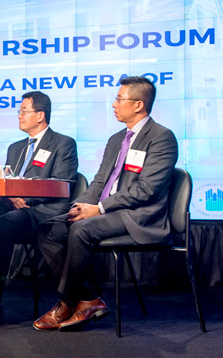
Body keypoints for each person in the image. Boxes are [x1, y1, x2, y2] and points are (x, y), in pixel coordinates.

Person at [34, 76, 178, 332]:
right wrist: (80, 206)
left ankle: (67, 303)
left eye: (120, 99)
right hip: (105, 212)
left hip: (138, 216)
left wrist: (98, 209)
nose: (114, 104)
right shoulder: (115, 139)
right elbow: (100, 182)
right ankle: (87, 300)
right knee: (49, 228)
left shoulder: (161, 137)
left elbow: (147, 189)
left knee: (82, 230)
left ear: (138, 105)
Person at [0, 91, 78, 320]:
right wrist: (10, 197)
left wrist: (26, 199)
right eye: (19, 111)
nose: (19, 116)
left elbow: (61, 183)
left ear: (40, 115)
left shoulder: (63, 144)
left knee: (2, 226)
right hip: (11, 207)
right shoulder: (15, 147)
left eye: (24, 111)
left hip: (43, 211)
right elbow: (8, 180)